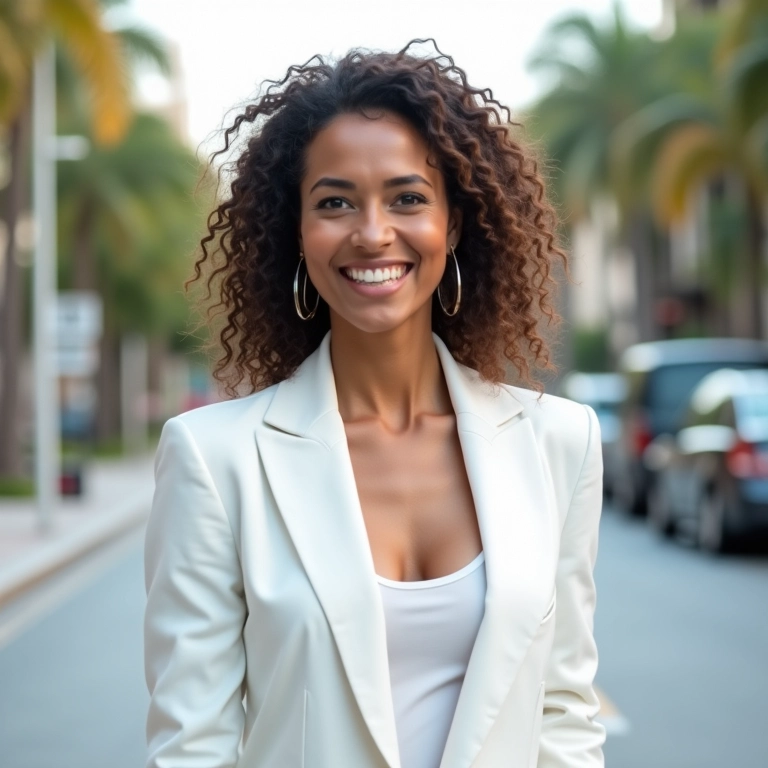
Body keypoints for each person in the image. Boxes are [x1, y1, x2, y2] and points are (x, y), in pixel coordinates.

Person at [144, 40, 605, 768]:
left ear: (453, 224)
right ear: (297, 230)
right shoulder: (215, 459)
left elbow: (564, 712)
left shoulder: (559, 443)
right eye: (334, 202)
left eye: (407, 198)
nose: (372, 232)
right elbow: (192, 745)